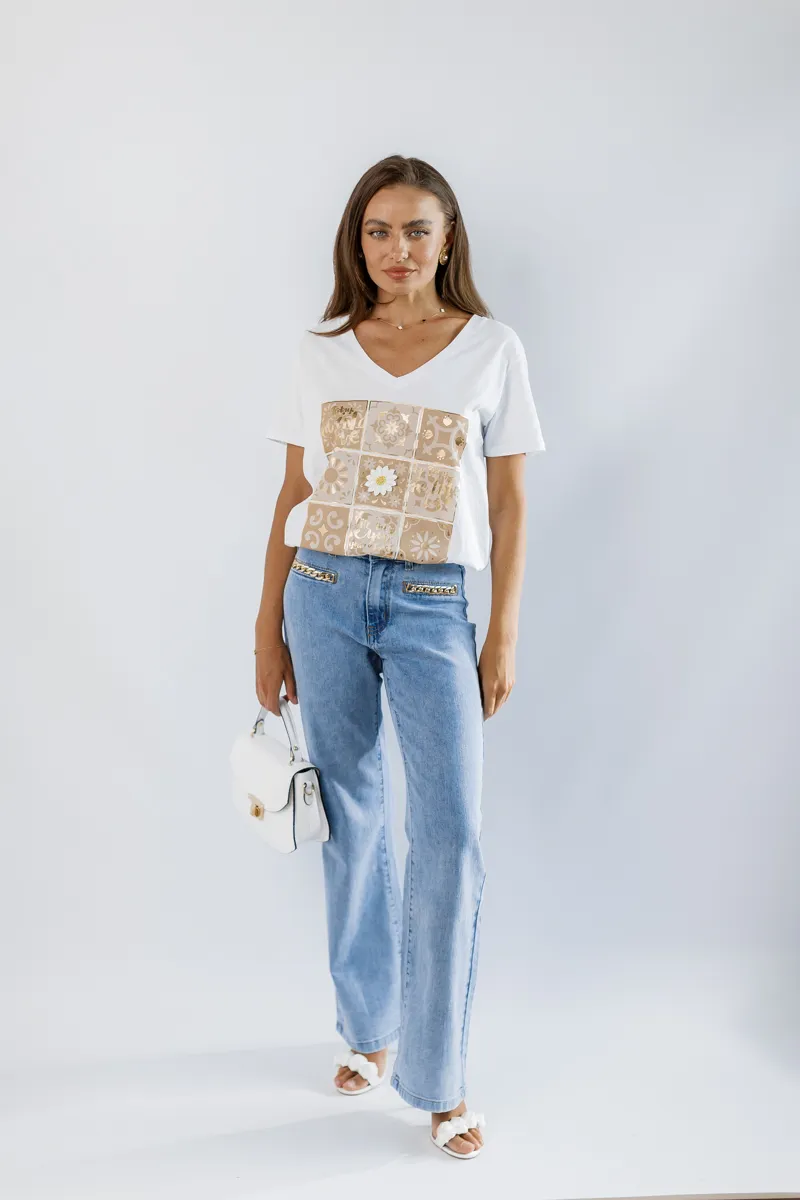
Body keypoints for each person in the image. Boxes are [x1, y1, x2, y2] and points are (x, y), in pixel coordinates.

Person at [253, 154, 546, 1160]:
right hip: (322, 594)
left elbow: (508, 502)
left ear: (447, 238)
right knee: (351, 817)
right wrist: (265, 629)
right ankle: (366, 1026)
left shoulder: (491, 348)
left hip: (433, 608)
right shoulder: (322, 349)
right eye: (378, 230)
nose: (396, 249)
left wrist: (500, 632)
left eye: (416, 229)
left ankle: (441, 1077)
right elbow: (292, 495)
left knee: (449, 834)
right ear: (357, 241)